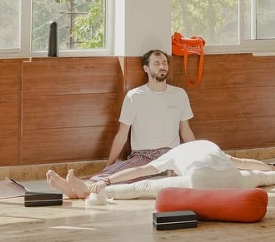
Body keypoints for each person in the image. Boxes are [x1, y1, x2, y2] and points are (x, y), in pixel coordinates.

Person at [46, 50, 193, 194]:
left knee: (122, 176)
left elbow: (186, 131)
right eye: (156, 63)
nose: (162, 67)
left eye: (164, 63)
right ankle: (74, 189)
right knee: (116, 174)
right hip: (143, 156)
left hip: (171, 154)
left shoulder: (179, 94)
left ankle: (77, 189)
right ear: (146, 68)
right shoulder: (134, 96)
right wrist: (109, 165)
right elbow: (122, 135)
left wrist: (196, 153)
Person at [48, 140, 275, 199]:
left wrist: (108, 178)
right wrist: (271, 166)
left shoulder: (174, 154)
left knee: (140, 188)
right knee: (267, 177)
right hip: (233, 181)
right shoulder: (210, 146)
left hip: (199, 182)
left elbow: (139, 173)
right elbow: (245, 165)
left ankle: (86, 190)